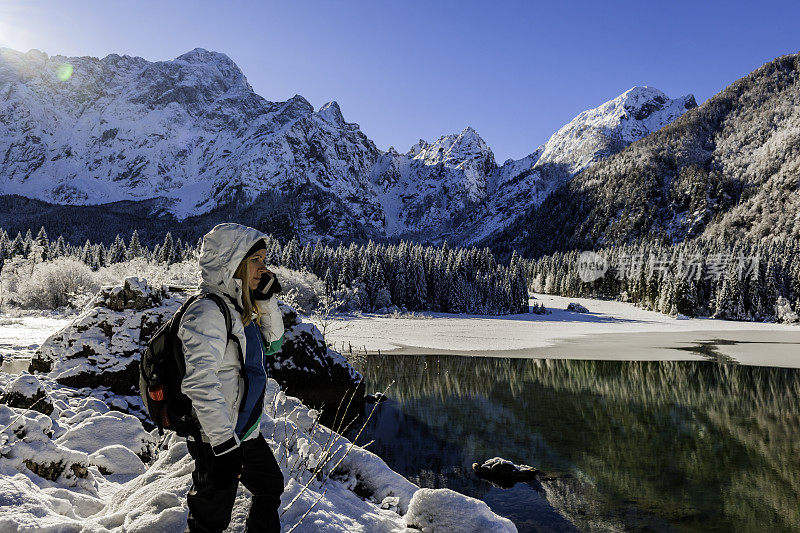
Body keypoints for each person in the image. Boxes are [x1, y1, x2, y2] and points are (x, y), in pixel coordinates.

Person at [178, 223, 286, 533]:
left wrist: (265, 299)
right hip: (217, 436)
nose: (264, 269)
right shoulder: (207, 312)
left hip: (244, 430)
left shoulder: (241, 307)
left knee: (270, 485)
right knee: (210, 519)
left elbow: (275, 342)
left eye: (265, 261)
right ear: (232, 261)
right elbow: (200, 382)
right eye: (256, 261)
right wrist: (224, 443)